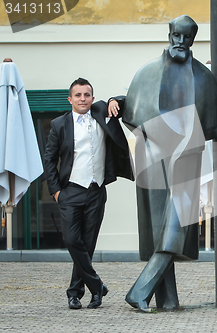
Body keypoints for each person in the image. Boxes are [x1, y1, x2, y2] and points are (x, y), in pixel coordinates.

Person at [108, 15, 217, 312]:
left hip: (187, 155)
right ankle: (168, 300)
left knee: (175, 223)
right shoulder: (147, 72)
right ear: (169, 34)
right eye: (176, 36)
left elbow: (212, 124)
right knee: (161, 226)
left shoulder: (205, 78)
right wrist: (119, 99)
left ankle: (140, 290)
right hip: (153, 152)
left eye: (187, 37)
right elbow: (134, 107)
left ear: (193, 39)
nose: (180, 42)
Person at [44, 78, 134, 309]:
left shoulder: (102, 110)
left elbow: (127, 102)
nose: (82, 99)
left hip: (96, 190)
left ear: (93, 98)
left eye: (86, 95)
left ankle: (74, 294)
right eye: (78, 95)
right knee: (73, 240)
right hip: (70, 191)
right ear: (70, 99)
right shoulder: (58, 124)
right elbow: (49, 160)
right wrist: (56, 192)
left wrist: (116, 99)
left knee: (88, 244)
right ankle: (97, 286)